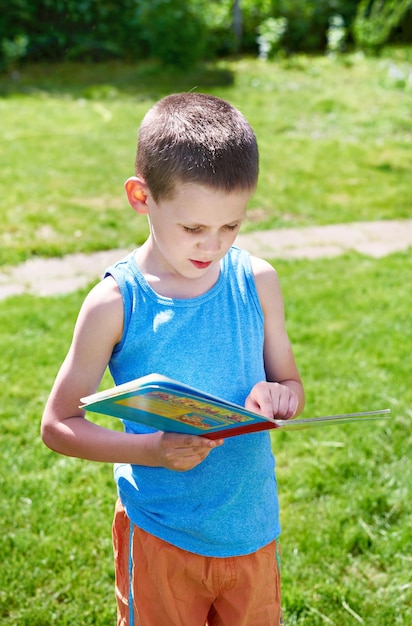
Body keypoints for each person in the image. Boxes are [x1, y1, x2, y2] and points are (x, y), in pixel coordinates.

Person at [41, 92, 305, 626]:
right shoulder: (115, 304)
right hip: (161, 533)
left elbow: (291, 384)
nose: (213, 246)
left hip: (251, 529)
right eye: (193, 228)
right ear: (142, 197)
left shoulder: (257, 282)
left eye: (231, 226)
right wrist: (152, 451)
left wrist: (282, 397)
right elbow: (58, 425)